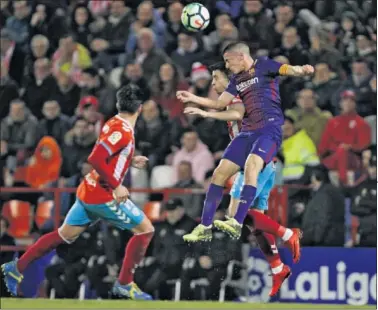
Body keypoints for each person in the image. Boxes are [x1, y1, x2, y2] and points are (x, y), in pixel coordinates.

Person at [2, 84, 155, 300]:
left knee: (64, 235)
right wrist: (117, 185)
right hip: (102, 194)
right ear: (139, 108)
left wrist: (129, 159)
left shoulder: (112, 122)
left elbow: (106, 155)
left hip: (88, 189)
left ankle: (16, 267)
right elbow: (95, 158)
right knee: (145, 230)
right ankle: (124, 283)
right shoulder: (123, 131)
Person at [177, 42, 313, 259]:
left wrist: (301, 70)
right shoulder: (236, 81)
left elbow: (286, 70)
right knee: (219, 173)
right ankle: (205, 226)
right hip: (248, 134)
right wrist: (194, 99)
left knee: (251, 169)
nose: (228, 67)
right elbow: (220, 104)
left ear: (240, 56)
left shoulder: (264, 66)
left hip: (269, 129)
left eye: (229, 61)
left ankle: (240, 224)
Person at [183, 62, 289, 296]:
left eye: (215, 78)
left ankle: (286, 235)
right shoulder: (238, 96)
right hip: (261, 163)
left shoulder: (240, 96)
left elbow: (236, 113)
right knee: (253, 220)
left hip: (258, 162)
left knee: (236, 214)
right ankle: (278, 265)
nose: (212, 83)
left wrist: (203, 111)